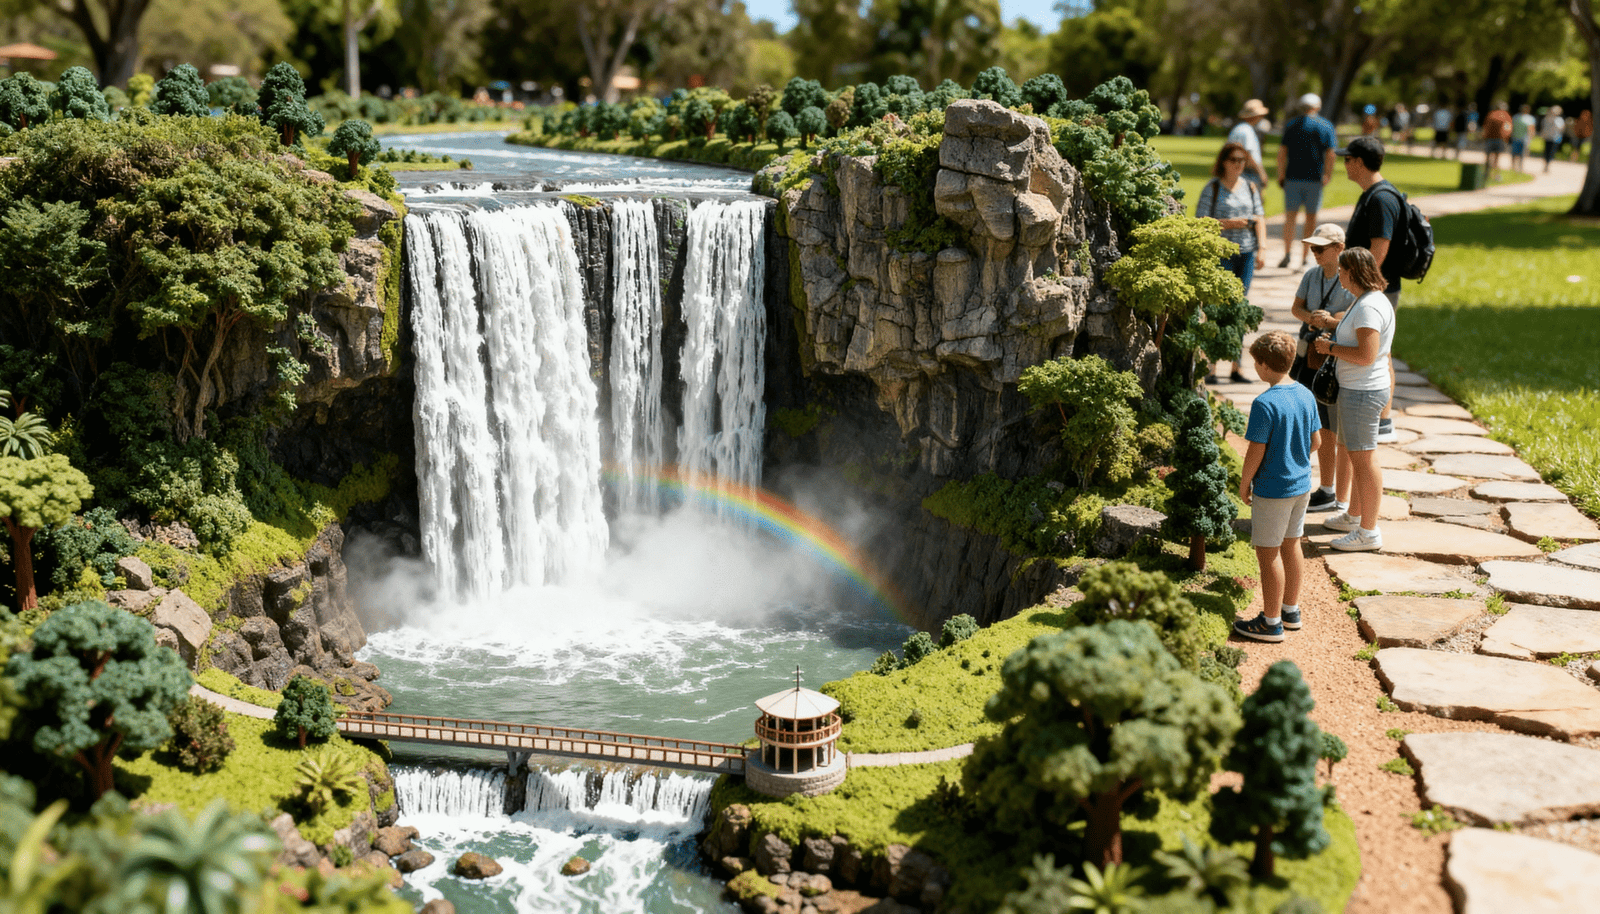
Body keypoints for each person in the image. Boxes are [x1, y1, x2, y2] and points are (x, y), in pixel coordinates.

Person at [1232, 330, 1322, 643]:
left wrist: (1245, 482)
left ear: (1265, 366)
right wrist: (1292, 456)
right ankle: (1290, 611)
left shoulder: (1264, 404)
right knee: (1291, 544)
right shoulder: (1305, 394)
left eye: (1256, 362)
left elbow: (1255, 451)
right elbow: (1316, 442)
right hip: (1301, 485)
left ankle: (1270, 623)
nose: (1254, 366)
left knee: (1267, 554)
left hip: (1273, 489)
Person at [1312, 248, 1395, 553]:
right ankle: (1355, 517)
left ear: (1353, 272)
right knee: (1358, 455)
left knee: (1364, 459)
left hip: (1363, 393)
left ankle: (1368, 532)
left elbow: (1366, 355)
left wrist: (1330, 349)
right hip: (1356, 390)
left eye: (1342, 270)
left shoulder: (1368, 307)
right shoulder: (1364, 302)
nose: (1339, 275)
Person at [1338, 135, 1404, 443]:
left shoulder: (1381, 199)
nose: (1344, 165)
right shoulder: (1370, 194)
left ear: (1360, 162)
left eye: (1347, 159)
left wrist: (1366, 289)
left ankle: (1383, 420)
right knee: (1380, 353)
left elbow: (1379, 248)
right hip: (1370, 288)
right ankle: (1382, 420)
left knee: (1381, 354)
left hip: (1378, 288)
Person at [1289, 224, 1355, 514]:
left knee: (1329, 427)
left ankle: (1331, 491)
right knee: (1309, 422)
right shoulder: (1311, 275)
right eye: (1312, 248)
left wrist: (1329, 321)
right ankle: (1318, 486)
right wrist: (1312, 319)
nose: (1314, 253)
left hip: (1334, 359)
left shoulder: (1350, 279)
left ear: (1339, 249)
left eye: (1320, 248)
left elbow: (1355, 318)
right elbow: (1297, 309)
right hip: (1309, 355)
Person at [1197, 142, 1266, 383]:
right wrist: (1230, 224)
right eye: (1234, 159)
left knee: (1239, 308)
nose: (1238, 164)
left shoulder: (1250, 186)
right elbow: (1201, 222)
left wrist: (1262, 248)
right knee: (1217, 309)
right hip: (1221, 254)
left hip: (1245, 253)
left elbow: (1259, 218)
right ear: (1223, 162)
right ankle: (1211, 367)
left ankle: (1236, 367)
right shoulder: (1212, 188)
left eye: (1242, 160)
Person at [1275, 93, 1338, 269]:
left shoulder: (1291, 125)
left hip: (1292, 177)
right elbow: (1331, 154)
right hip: (1314, 179)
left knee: (1290, 217)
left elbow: (1281, 153)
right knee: (1310, 219)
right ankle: (1304, 257)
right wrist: (1328, 174)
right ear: (1317, 107)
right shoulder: (1325, 126)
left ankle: (1287, 254)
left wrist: (1281, 175)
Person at [1229, 99, 1270, 186]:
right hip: (1247, 173)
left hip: (1236, 171)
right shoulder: (1247, 131)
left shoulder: (1238, 128)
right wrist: (1261, 173)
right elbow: (1249, 154)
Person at [1482, 102, 1512, 182]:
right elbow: (1508, 128)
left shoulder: (1491, 114)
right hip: (1500, 139)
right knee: (1497, 159)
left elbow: (1486, 127)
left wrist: (1484, 136)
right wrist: (1506, 137)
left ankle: (1486, 174)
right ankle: (1496, 176)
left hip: (1489, 138)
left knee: (1488, 158)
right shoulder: (1506, 116)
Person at [1511, 104, 1537, 173]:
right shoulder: (1516, 117)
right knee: (1514, 153)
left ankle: (1520, 167)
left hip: (1525, 138)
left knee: (1522, 154)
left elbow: (1531, 129)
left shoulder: (1530, 118)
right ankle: (1513, 166)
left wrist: (1531, 138)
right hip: (1515, 137)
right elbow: (1512, 126)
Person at [1542, 105, 1565, 172]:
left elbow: (1561, 129)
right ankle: (1546, 164)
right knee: (1546, 152)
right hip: (1547, 137)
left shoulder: (1559, 120)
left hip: (1555, 138)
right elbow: (1544, 127)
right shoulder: (1546, 118)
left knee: (1551, 152)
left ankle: (1548, 165)